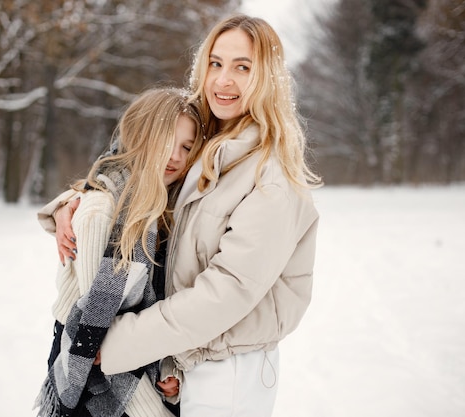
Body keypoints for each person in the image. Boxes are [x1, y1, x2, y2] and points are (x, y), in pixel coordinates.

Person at [44, 14, 321, 417]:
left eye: (243, 67)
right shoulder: (208, 148)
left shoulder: (269, 177)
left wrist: (116, 342)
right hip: (184, 358)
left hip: (228, 371)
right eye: (215, 63)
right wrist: (81, 199)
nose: (223, 80)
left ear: (268, 78)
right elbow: (137, 171)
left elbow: (225, 293)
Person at [34, 87, 205, 417]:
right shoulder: (101, 210)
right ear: (141, 135)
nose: (177, 157)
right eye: (167, 140)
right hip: (89, 363)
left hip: (129, 353)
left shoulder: (162, 205)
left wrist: (167, 369)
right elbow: (98, 329)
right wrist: (154, 411)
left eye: (187, 147)